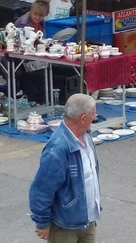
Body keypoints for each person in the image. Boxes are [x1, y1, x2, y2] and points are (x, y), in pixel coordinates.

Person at [29, 94, 101, 242]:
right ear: (83, 118)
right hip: (65, 226)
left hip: (88, 221)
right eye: (93, 114)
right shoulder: (57, 149)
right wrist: (42, 223)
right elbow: (41, 190)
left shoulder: (86, 137)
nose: (95, 117)